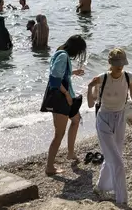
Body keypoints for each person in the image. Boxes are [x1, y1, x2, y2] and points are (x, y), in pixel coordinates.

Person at [88, 48, 132, 207]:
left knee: (114, 154)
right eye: (116, 63)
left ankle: (101, 187)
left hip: (120, 118)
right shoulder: (102, 78)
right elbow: (91, 102)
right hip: (103, 119)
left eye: (122, 63)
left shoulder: (129, 77)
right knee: (118, 162)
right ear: (110, 63)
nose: (120, 67)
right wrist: (90, 87)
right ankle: (122, 200)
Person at [42, 35, 87, 176]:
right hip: (61, 99)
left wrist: (72, 72)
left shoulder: (61, 52)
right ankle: (49, 167)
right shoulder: (62, 56)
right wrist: (67, 95)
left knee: (76, 120)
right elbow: (54, 78)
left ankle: (71, 153)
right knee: (59, 134)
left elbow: (59, 74)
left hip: (67, 97)